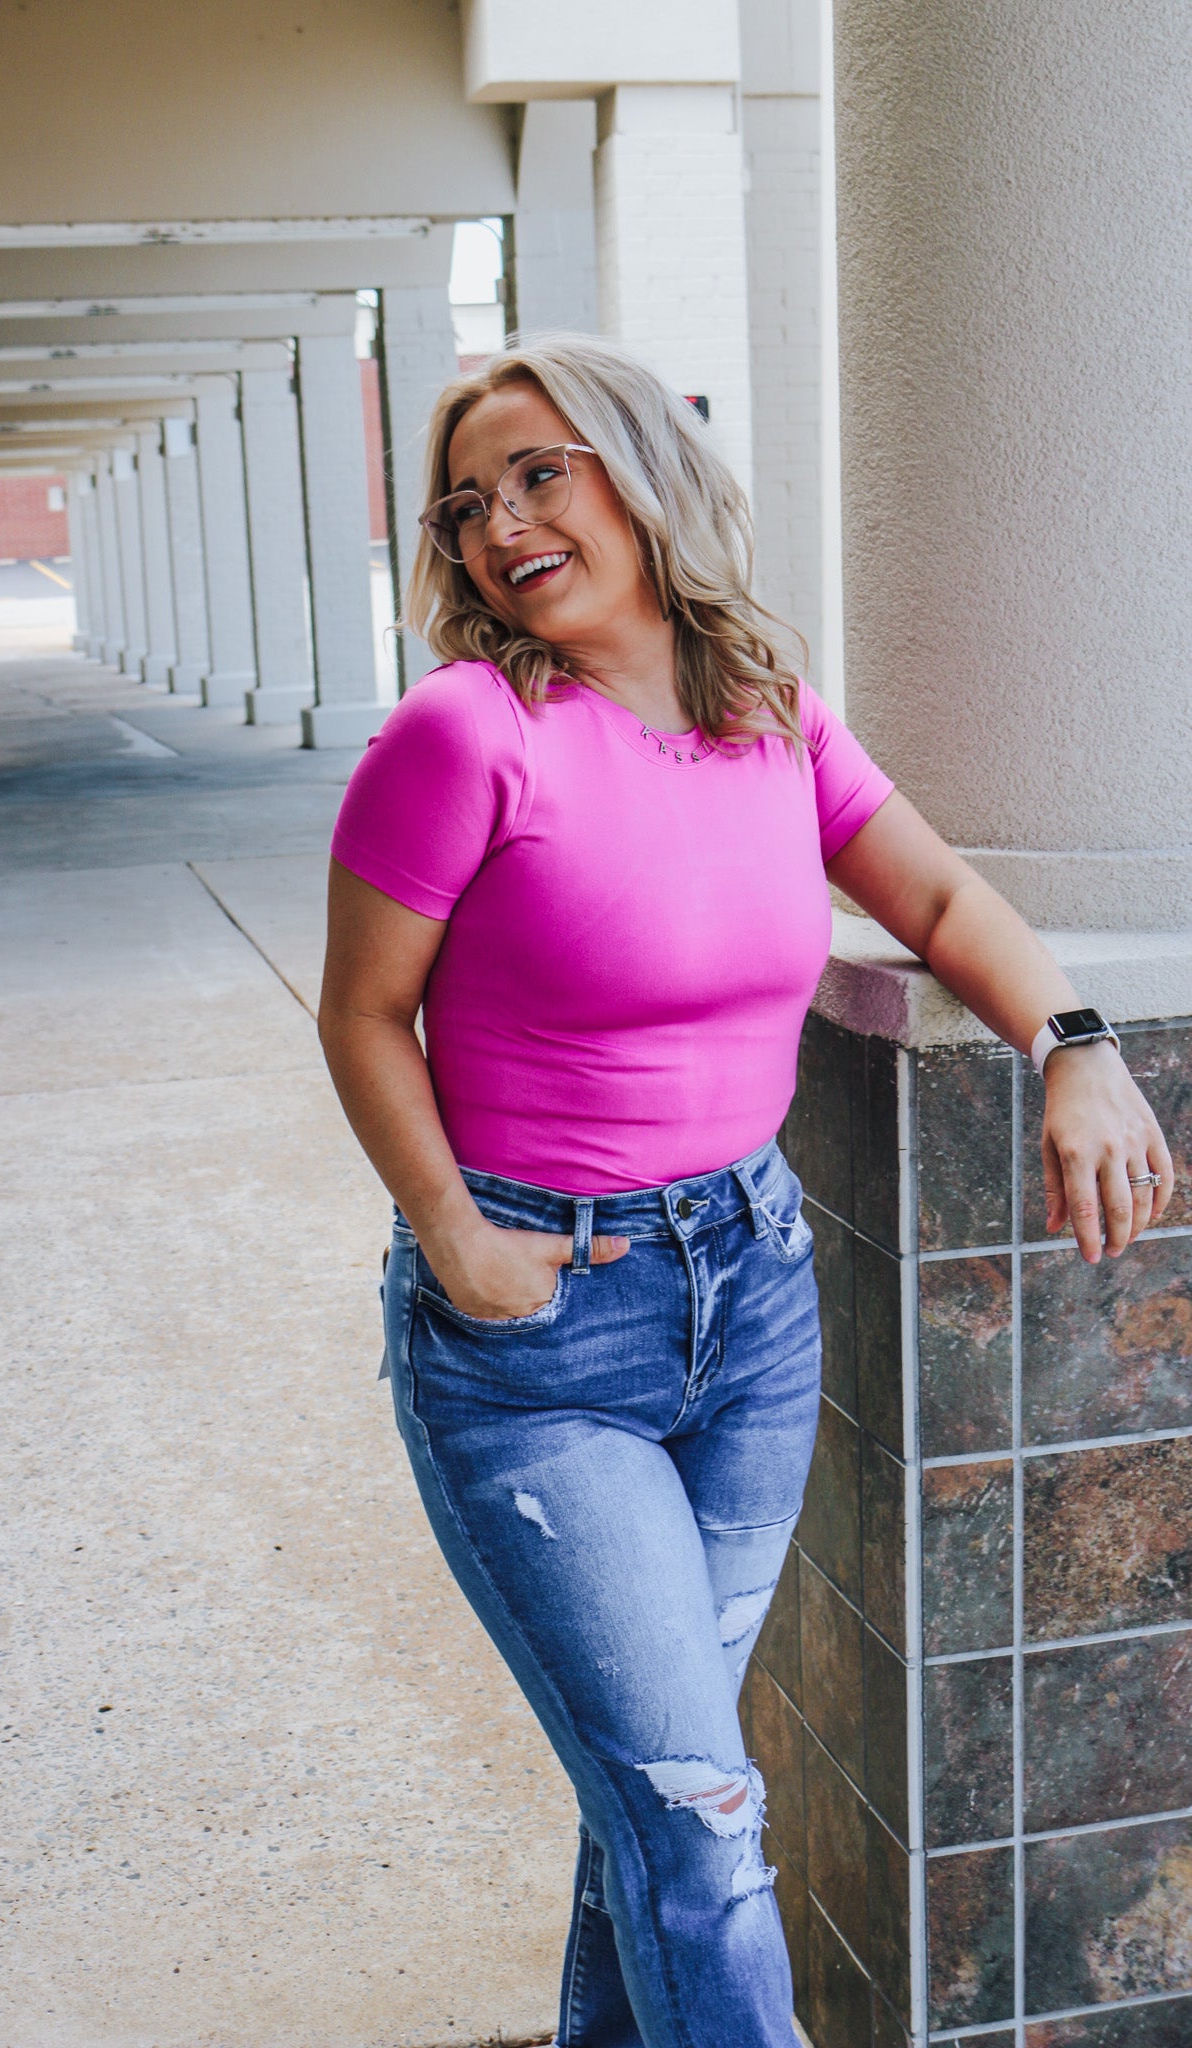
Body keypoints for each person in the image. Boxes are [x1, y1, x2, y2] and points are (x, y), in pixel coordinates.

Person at [318, 334, 1173, 2048]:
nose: (501, 523)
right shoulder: (461, 734)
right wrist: (453, 1236)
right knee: (695, 1813)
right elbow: (360, 1012)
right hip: (538, 1339)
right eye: (467, 503)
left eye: (540, 473)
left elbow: (938, 901)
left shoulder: (764, 710)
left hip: (750, 1299)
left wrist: (1072, 1043)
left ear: (644, 476)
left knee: (665, 1786)